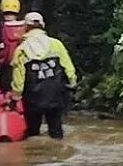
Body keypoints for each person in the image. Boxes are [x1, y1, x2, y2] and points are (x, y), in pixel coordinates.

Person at [10, 12, 77, 140]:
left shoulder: (21, 50)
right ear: (42, 26)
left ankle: (34, 157)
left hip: (33, 97)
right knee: (56, 132)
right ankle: (58, 156)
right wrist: (72, 84)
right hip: (55, 94)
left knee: (32, 133)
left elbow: (19, 80)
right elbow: (69, 68)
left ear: (26, 27)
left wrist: (15, 97)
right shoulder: (56, 44)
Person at [0, 0, 26, 93]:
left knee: (4, 93)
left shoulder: (1, 27)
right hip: (23, 67)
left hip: (5, 67)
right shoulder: (25, 27)